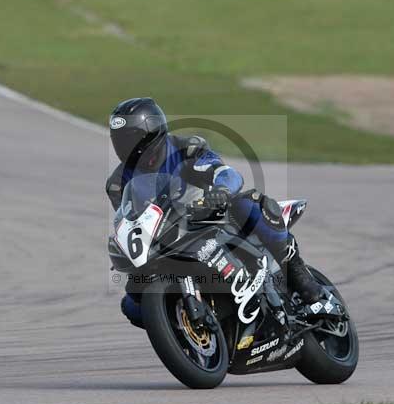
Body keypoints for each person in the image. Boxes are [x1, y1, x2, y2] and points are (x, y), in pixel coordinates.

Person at [106, 97, 334, 329]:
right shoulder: (116, 183)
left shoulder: (187, 148)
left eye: (131, 138)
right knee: (132, 303)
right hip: (167, 239)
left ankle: (308, 288)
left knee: (248, 204)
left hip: (209, 219)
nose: (126, 147)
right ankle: (188, 331)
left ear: (151, 133)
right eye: (120, 141)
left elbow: (224, 172)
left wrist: (221, 191)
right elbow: (130, 218)